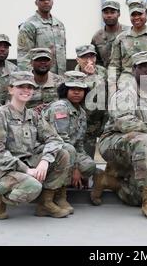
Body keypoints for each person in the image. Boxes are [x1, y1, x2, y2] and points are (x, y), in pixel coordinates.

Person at [92, 51, 147, 221]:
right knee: (144, 139)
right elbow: (126, 124)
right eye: (143, 67)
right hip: (114, 143)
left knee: (138, 196)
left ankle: (108, 180)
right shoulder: (124, 94)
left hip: (144, 149)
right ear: (134, 69)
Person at [0, 71, 72, 220]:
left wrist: (45, 160)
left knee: (63, 153)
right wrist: (26, 170)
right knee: (33, 187)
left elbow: (54, 139)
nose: (26, 90)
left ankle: (45, 203)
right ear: (11, 89)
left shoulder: (33, 115)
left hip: (26, 163)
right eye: (21, 86)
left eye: (30, 87)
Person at [43, 71, 95, 204]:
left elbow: (79, 144)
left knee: (89, 165)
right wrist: (75, 168)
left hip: (69, 150)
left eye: (80, 89)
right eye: (73, 89)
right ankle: (57, 193)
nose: (77, 92)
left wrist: (81, 164)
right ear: (65, 90)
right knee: (69, 154)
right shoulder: (60, 107)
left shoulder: (81, 112)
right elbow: (62, 141)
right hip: (52, 150)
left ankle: (67, 180)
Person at [109, 0, 147, 89]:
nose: (136, 17)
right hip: (127, 80)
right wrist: (112, 88)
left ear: (146, 13)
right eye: (133, 15)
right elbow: (114, 66)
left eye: (140, 14)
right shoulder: (121, 38)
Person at [17, 0, 66, 75]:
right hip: (39, 77)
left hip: (59, 77)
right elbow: (23, 56)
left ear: (52, 1)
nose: (46, 2)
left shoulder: (59, 24)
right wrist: (29, 79)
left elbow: (62, 52)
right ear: (36, 3)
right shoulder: (29, 25)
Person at [74, 44, 108, 157]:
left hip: (103, 120)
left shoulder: (103, 72)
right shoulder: (73, 76)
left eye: (92, 57)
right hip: (86, 126)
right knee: (87, 159)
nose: (89, 61)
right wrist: (90, 77)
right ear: (77, 59)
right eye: (85, 57)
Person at [91, 0, 129, 68]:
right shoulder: (97, 37)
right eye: (106, 13)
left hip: (127, 74)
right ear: (102, 14)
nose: (109, 15)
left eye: (112, 12)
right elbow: (95, 61)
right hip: (106, 75)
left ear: (119, 14)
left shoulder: (128, 32)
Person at [26, 48, 65, 113]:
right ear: (31, 63)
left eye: (46, 60)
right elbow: (13, 107)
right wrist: (32, 111)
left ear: (51, 63)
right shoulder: (22, 81)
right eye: (39, 60)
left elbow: (66, 105)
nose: (43, 62)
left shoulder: (60, 82)